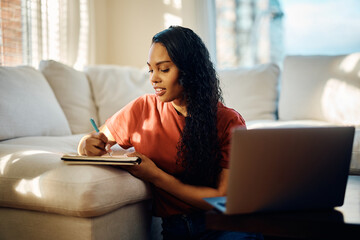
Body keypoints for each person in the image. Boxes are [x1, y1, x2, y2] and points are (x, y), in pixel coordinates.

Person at [78, 26, 263, 240]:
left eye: (164, 69)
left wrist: (156, 176)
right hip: (176, 229)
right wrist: (85, 144)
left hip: (225, 226)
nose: (154, 78)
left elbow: (222, 197)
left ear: (189, 71)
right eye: (151, 70)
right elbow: (98, 138)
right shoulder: (142, 109)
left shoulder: (228, 121)